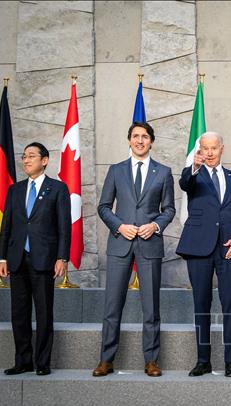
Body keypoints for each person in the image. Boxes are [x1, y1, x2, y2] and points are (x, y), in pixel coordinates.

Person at [93, 122, 175, 377]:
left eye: (145, 137)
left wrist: (155, 225)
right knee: (112, 306)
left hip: (150, 244)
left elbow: (169, 209)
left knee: (151, 307)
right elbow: (104, 206)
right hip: (120, 243)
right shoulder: (116, 170)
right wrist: (119, 226)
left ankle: (151, 360)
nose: (140, 140)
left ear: (151, 141)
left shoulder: (163, 172)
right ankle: (106, 360)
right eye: (136, 136)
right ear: (129, 140)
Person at [176, 132, 231, 378]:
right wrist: (193, 167)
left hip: (229, 248)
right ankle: (203, 360)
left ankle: (230, 361)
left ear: (221, 149)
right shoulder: (194, 175)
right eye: (205, 148)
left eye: (213, 148)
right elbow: (185, 183)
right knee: (201, 304)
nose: (209, 153)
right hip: (199, 248)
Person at [0, 142, 71, 376]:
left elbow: (64, 227)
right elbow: (6, 226)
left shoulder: (57, 189)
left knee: (44, 313)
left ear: (44, 160)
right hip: (17, 259)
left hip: (44, 259)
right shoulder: (15, 190)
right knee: (19, 314)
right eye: (24, 156)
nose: (26, 160)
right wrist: (2, 257)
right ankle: (23, 361)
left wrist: (62, 257)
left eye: (31, 156)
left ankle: (42, 362)